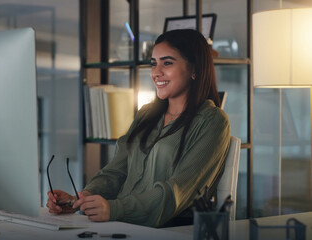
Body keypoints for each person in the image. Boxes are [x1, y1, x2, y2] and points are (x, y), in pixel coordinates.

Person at [46, 29, 230, 228]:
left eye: (167, 63)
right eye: (153, 64)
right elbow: (115, 172)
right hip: (120, 224)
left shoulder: (213, 121)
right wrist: (81, 200)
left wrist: (114, 209)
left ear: (194, 69)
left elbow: (175, 192)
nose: (156, 72)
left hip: (166, 231)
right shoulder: (147, 114)